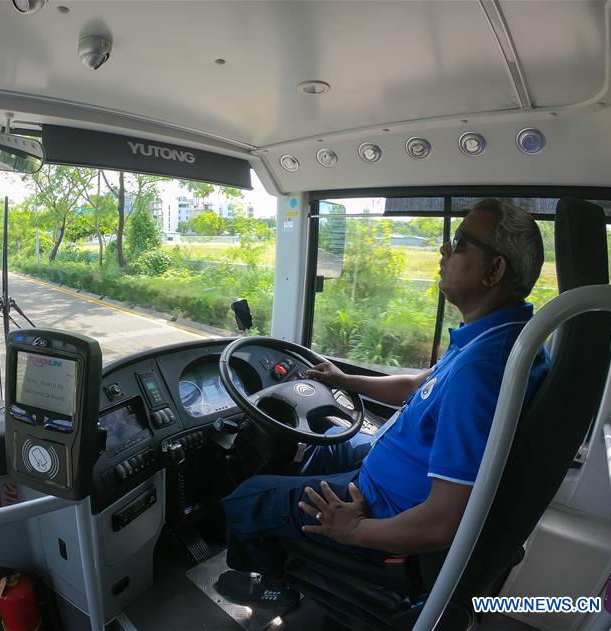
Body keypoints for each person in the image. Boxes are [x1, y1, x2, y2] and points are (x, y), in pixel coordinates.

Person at [216, 198, 551, 606]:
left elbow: (443, 522)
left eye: (460, 242)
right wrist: (342, 379)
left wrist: (354, 531)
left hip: (383, 512)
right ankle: (293, 533)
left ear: (494, 270)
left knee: (246, 498)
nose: (444, 251)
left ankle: (270, 588)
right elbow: (416, 386)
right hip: (390, 475)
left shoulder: (482, 370)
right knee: (331, 440)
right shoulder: (499, 336)